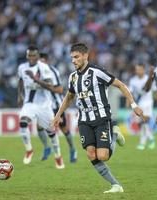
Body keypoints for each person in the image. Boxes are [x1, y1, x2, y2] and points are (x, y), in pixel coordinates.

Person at [52, 43, 145, 193]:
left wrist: (134, 105)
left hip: (101, 118)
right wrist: (57, 115)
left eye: (76, 57)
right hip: (84, 120)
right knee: (91, 154)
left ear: (85, 56)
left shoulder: (97, 72)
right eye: (72, 58)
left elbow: (120, 85)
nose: (73, 60)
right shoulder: (73, 77)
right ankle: (116, 185)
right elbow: (69, 97)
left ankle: (113, 134)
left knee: (103, 156)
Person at [17, 45, 64, 169]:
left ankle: (58, 156)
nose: (31, 57)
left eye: (34, 55)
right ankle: (29, 150)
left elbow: (50, 85)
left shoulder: (44, 68)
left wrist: (35, 79)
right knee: (22, 123)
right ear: (27, 56)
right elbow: (21, 80)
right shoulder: (22, 67)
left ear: (37, 56)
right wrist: (19, 96)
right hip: (29, 103)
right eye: (29, 55)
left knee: (51, 133)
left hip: (44, 105)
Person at [35, 52, 77, 163]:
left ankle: (73, 150)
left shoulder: (52, 72)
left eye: (42, 62)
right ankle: (47, 147)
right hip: (43, 105)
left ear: (46, 61)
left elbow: (59, 89)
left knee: (63, 128)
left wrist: (45, 85)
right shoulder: (36, 73)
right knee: (39, 126)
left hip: (55, 105)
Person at [128, 64, 155, 150]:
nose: (138, 71)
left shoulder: (148, 79)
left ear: (143, 70)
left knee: (144, 122)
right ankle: (151, 138)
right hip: (138, 104)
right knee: (141, 124)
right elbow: (130, 92)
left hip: (148, 103)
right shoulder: (133, 80)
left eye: (139, 69)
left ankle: (142, 143)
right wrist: (129, 102)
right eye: (136, 70)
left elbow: (154, 90)